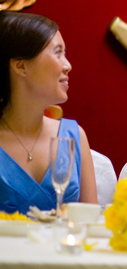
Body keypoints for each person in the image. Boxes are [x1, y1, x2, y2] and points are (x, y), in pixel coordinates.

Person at [0, 12, 97, 214]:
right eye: (58, 52)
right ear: (20, 66)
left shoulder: (74, 136)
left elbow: (90, 224)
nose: (67, 66)